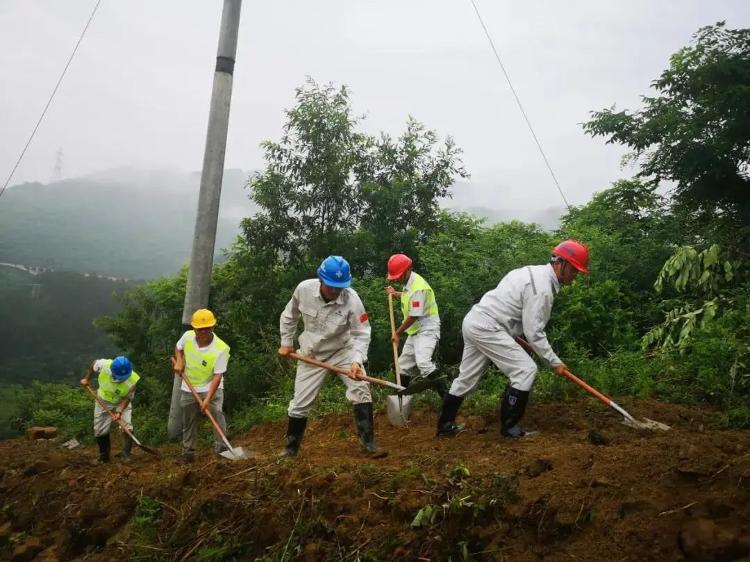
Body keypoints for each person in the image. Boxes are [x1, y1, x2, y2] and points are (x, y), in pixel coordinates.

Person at [436, 240, 590, 438]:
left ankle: (444, 425)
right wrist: (554, 362)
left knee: (467, 378)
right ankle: (510, 429)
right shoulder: (542, 289)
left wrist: (511, 331)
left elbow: (512, 307)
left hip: (476, 321)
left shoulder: (531, 272)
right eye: (574, 270)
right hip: (489, 327)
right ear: (560, 263)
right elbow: (534, 332)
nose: (575, 276)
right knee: (525, 370)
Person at [278, 255, 387, 458]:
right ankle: (291, 449)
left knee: (361, 389)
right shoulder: (303, 290)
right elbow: (289, 316)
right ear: (320, 279)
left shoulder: (352, 300)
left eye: (340, 286)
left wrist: (356, 361)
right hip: (312, 354)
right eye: (331, 286)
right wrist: (286, 343)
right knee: (300, 402)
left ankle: (368, 444)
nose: (336, 291)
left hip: (343, 351)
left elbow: (362, 333)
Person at [171, 308, 230, 463]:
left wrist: (207, 399)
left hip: (211, 387)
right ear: (194, 328)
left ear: (213, 327)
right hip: (189, 387)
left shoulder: (221, 348)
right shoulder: (187, 337)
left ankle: (222, 451)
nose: (203, 331)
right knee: (188, 421)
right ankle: (188, 454)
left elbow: (218, 376)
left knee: (217, 415)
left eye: (207, 328)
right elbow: (178, 348)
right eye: (199, 329)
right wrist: (179, 360)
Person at [385, 253, 445, 397]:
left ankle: (447, 396)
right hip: (415, 331)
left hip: (427, 329)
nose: (397, 279)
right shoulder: (409, 282)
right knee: (403, 366)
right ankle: (400, 399)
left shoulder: (418, 287)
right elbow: (408, 296)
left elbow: (413, 315)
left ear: (407, 270)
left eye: (399, 275)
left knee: (423, 364)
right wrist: (395, 293)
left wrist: (397, 333)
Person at [80, 356, 140, 463]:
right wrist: (87, 379)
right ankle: (104, 457)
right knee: (99, 429)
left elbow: (127, 398)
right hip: (102, 400)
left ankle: (126, 454)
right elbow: (94, 363)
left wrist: (119, 412)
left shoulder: (133, 380)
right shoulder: (104, 365)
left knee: (127, 426)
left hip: (121, 402)